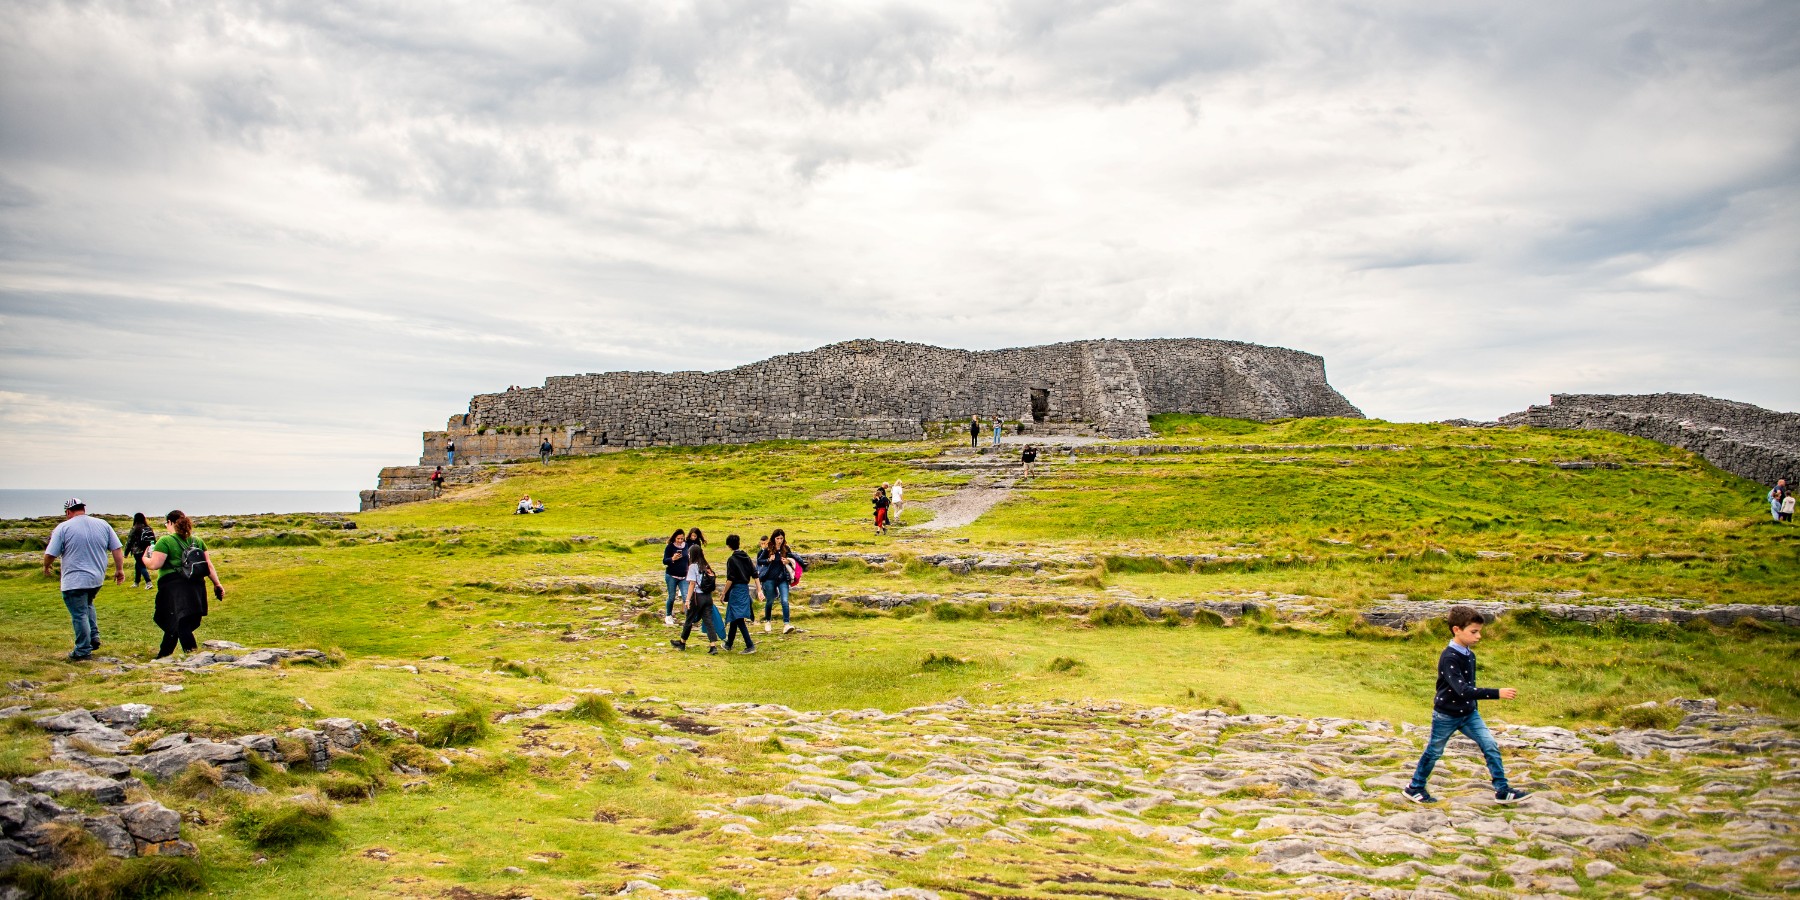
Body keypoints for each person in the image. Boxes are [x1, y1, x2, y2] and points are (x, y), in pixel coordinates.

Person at [1403, 605, 1529, 805]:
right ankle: (1414, 787)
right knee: (1434, 751)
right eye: (1474, 632)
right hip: (1446, 715)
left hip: (1469, 714)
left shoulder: (1469, 654)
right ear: (1456, 630)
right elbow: (1463, 690)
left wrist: (1474, 709)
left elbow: (1470, 687)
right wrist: (1497, 693)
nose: (1478, 636)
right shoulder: (1449, 657)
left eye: (1479, 631)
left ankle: (1502, 790)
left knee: (1490, 745)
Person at [42, 499, 123, 661]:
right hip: (96, 578)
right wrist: (119, 569)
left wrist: (46, 566)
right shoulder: (102, 524)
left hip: (74, 579)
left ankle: (83, 649)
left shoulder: (63, 528)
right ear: (83, 509)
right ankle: (93, 636)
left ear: (67, 512)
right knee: (87, 604)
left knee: (79, 613)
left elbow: (51, 553)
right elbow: (117, 548)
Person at [143, 509, 225, 660]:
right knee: (178, 620)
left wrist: (144, 558)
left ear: (170, 523)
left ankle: (193, 655)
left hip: (174, 587)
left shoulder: (165, 541)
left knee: (180, 622)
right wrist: (217, 584)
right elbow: (208, 565)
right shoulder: (197, 541)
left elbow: (155, 565)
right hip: (196, 585)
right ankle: (163, 654)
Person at [671, 544, 726, 654]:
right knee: (708, 620)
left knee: (689, 619)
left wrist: (687, 600)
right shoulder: (706, 565)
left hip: (697, 597)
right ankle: (713, 646)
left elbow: (692, 583)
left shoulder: (693, 566)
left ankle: (682, 643)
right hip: (708, 597)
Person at [757, 528, 805, 634]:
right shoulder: (768, 548)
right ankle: (768, 621)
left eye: (781, 538)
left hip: (783, 579)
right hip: (769, 579)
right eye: (778, 538)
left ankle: (786, 624)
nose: (780, 540)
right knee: (770, 601)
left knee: (784, 601)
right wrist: (769, 560)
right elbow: (759, 560)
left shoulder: (786, 548)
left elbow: (794, 559)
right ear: (774, 538)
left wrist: (788, 561)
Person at [721, 535, 761, 654]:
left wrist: (723, 593)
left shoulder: (732, 560)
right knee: (735, 616)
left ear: (729, 546)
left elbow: (730, 579)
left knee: (738, 618)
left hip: (736, 590)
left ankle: (750, 645)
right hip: (745, 589)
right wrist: (759, 590)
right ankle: (729, 643)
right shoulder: (746, 557)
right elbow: (755, 574)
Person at [662, 528, 689, 626]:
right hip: (671, 576)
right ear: (674, 538)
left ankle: (688, 618)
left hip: (684, 577)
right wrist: (672, 558)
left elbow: (689, 558)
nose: (680, 540)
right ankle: (668, 615)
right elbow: (664, 561)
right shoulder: (669, 547)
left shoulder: (686, 546)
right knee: (672, 597)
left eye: (682, 538)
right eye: (678, 538)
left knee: (686, 597)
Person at [125, 512, 158, 590]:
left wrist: (126, 553)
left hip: (137, 550)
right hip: (147, 549)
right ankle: (136, 582)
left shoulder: (135, 528)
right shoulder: (148, 528)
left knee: (141, 565)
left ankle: (148, 582)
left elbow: (129, 541)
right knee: (138, 565)